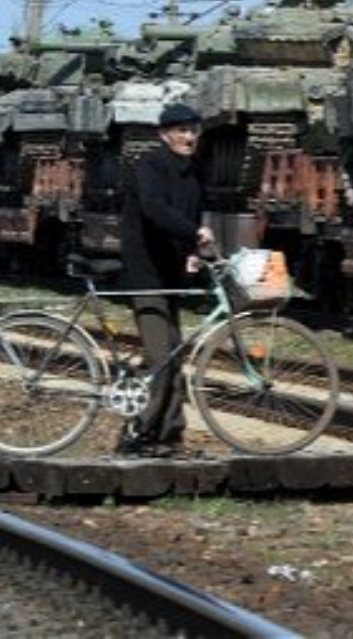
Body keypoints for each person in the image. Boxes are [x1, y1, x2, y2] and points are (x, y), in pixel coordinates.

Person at [117, 102, 215, 457]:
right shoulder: (150, 166)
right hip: (146, 273)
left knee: (173, 356)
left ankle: (169, 437)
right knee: (161, 358)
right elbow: (155, 210)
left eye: (193, 130)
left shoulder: (192, 172)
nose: (189, 137)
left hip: (170, 274)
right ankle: (137, 436)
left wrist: (192, 248)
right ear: (164, 135)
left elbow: (189, 213)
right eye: (181, 131)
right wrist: (195, 232)